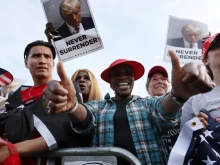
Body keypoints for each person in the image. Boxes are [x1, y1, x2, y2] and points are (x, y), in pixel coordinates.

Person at [42, 50, 213, 165]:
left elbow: (163, 111)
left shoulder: (147, 104)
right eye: (117, 74)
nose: (123, 77)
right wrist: (72, 107)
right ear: (110, 83)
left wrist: (178, 95)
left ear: (133, 79)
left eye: (127, 73)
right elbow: (85, 118)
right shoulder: (98, 106)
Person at [0, 40, 90, 165]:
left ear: (53, 64)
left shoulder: (66, 89)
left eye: (47, 56)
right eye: (36, 56)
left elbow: (65, 132)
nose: (42, 61)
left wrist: (11, 150)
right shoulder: (15, 95)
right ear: (26, 63)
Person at [181, 33, 220, 128]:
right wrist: (194, 126)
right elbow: (184, 138)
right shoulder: (194, 99)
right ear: (206, 60)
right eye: (218, 45)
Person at [146, 65, 180, 155]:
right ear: (147, 89)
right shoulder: (140, 109)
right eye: (154, 79)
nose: (160, 82)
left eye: (163, 79)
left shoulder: (183, 106)